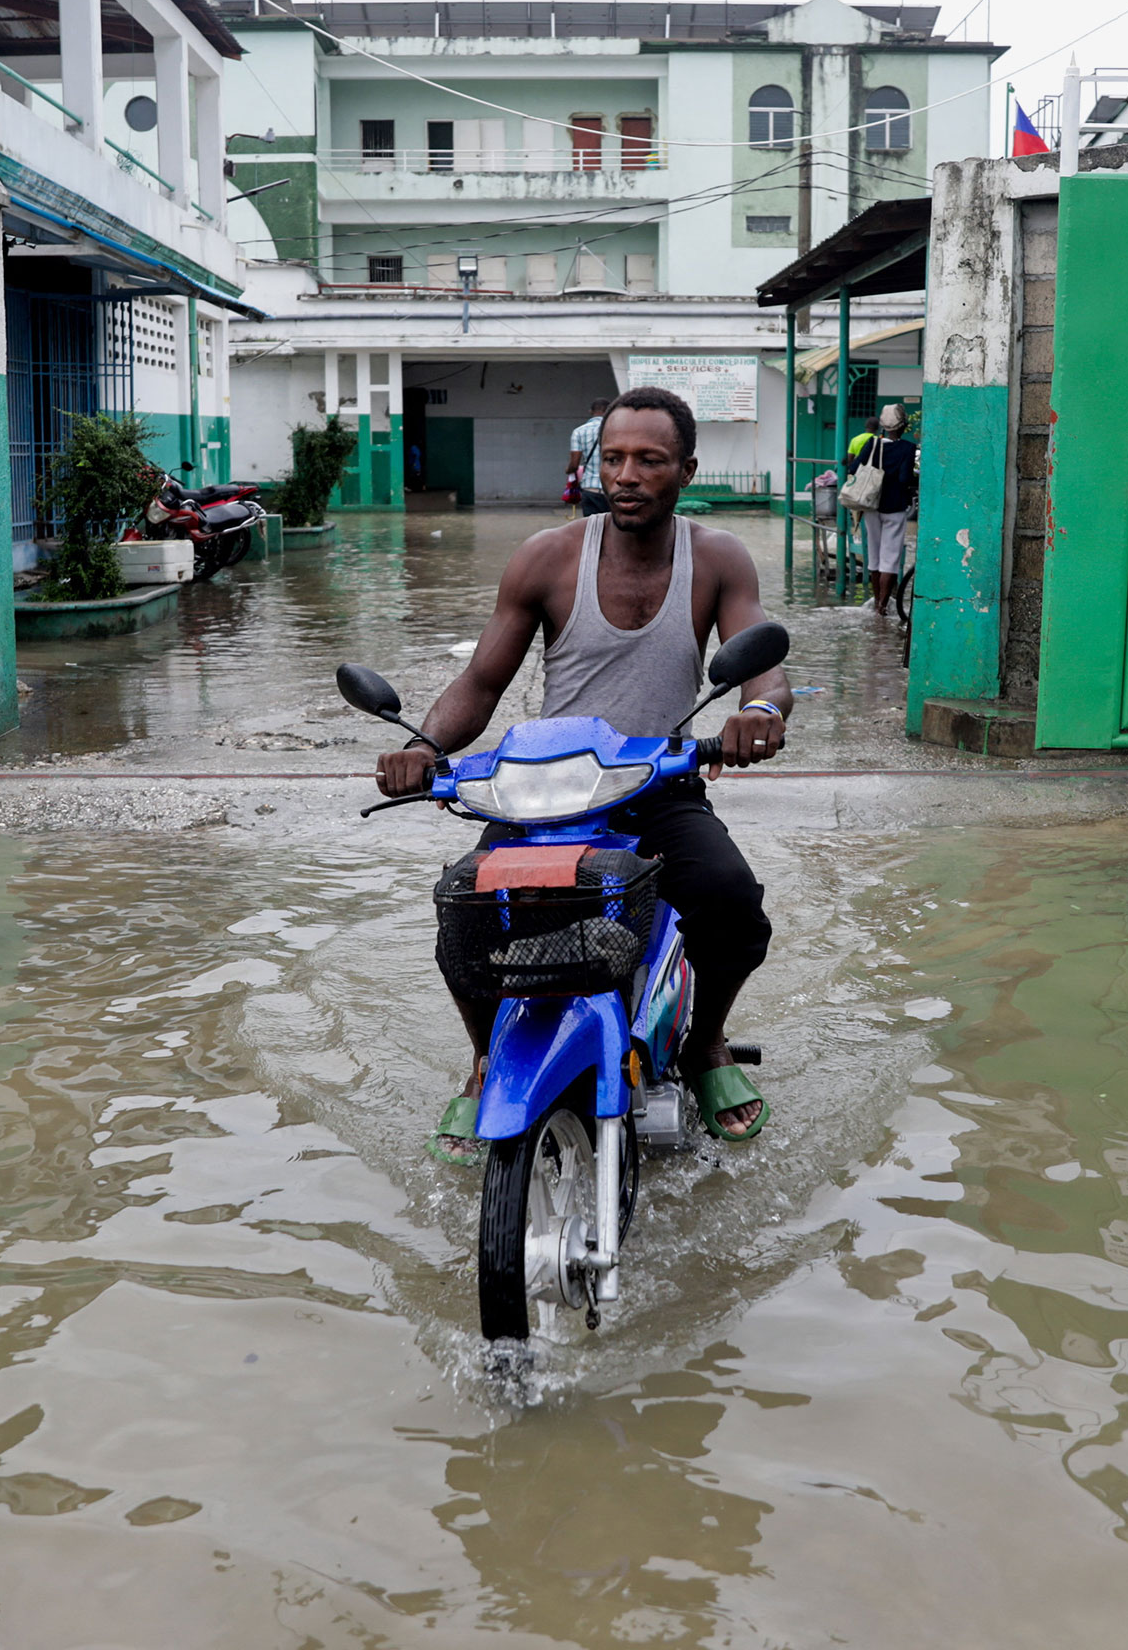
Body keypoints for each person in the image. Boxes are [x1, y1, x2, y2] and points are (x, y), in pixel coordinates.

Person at [377, 386, 789, 1164]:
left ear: (686, 469)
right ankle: (488, 1060)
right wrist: (425, 745)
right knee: (467, 908)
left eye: (650, 460)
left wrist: (760, 717)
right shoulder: (547, 557)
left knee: (731, 904)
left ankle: (705, 1048)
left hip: (659, 786)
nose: (627, 474)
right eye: (615, 458)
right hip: (548, 793)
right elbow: (481, 683)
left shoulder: (720, 559)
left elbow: (763, 671)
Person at [850, 402, 918, 617]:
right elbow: (905, 478)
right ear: (903, 425)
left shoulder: (873, 444)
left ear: (883, 425)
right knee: (890, 558)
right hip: (895, 507)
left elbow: (853, 468)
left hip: (871, 506)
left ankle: (877, 603)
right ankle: (882, 607)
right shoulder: (907, 448)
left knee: (875, 557)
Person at [565, 397, 612, 516]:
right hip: (612, 488)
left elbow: (574, 464)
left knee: (592, 528)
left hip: (590, 489)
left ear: (590, 411)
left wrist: (568, 470)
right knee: (614, 529)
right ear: (610, 411)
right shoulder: (616, 430)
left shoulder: (579, 432)